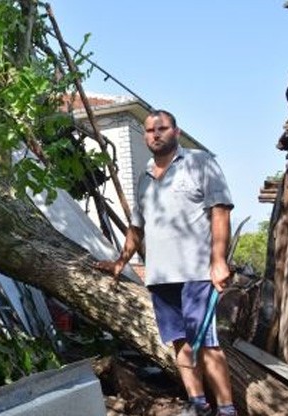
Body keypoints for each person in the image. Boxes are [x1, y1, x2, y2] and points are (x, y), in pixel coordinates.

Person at [95, 109, 237, 416]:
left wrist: (219, 261)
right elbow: (136, 228)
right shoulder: (145, 178)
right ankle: (198, 404)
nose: (155, 134)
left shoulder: (200, 162)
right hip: (160, 277)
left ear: (175, 131)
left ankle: (227, 410)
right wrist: (121, 262)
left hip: (197, 273)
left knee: (207, 345)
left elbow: (220, 211)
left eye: (161, 128)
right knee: (179, 344)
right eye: (149, 130)